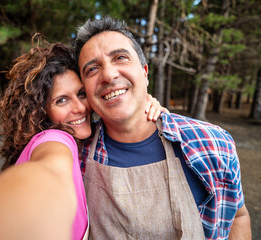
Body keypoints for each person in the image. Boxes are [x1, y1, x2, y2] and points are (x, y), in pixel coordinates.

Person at [0, 36, 165, 240]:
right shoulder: (56, 140)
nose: (79, 107)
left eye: (80, 94)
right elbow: (47, 176)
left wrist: (145, 104)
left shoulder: (85, 140)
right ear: (42, 111)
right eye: (61, 100)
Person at [74, 16, 251, 240]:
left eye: (120, 57)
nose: (108, 75)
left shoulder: (213, 143)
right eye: (92, 70)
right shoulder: (75, 156)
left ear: (145, 73)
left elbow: (238, 216)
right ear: (84, 91)